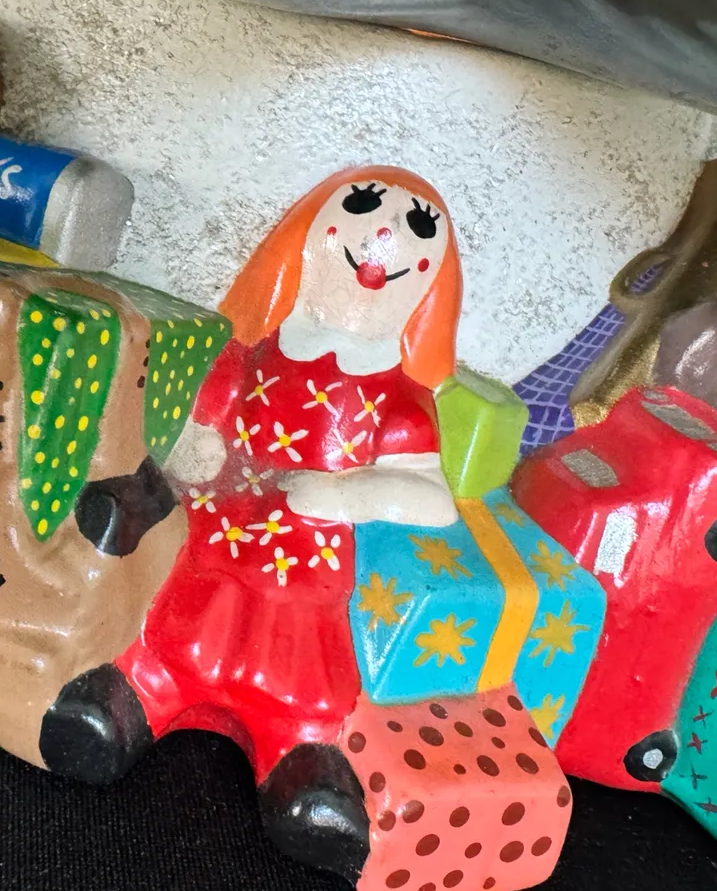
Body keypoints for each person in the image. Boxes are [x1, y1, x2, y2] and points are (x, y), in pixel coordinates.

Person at [40, 166, 464, 881]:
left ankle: (301, 759)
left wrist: (349, 493)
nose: (387, 233)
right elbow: (194, 433)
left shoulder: (399, 405)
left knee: (294, 663)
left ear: (433, 280)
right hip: (218, 536)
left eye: (420, 228)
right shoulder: (252, 359)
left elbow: (433, 499)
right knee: (180, 623)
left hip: (306, 564)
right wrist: (196, 450)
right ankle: (135, 698)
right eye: (364, 207)